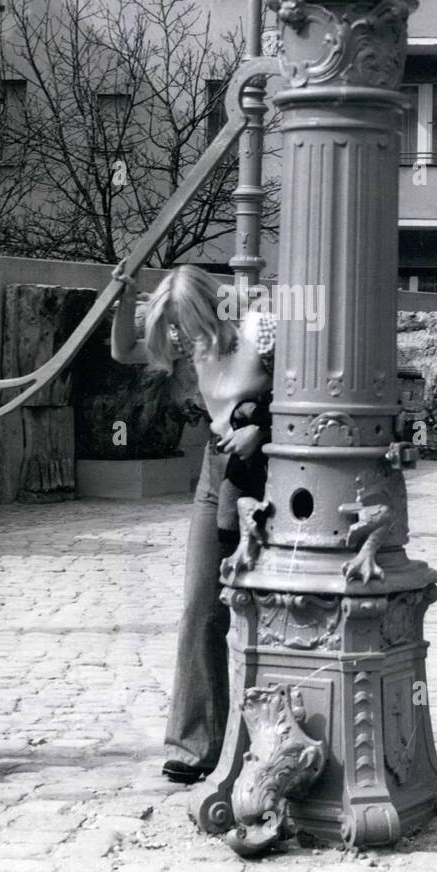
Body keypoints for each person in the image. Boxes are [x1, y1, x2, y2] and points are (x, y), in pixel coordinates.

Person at [111, 263, 273, 783]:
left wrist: (261, 432)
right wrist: (124, 298)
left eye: (183, 320)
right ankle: (194, 744)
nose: (179, 335)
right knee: (200, 606)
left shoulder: (256, 330)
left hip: (268, 466)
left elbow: (303, 388)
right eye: (173, 326)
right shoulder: (194, 344)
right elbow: (124, 352)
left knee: (271, 605)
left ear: (208, 306)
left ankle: (270, 736)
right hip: (218, 467)